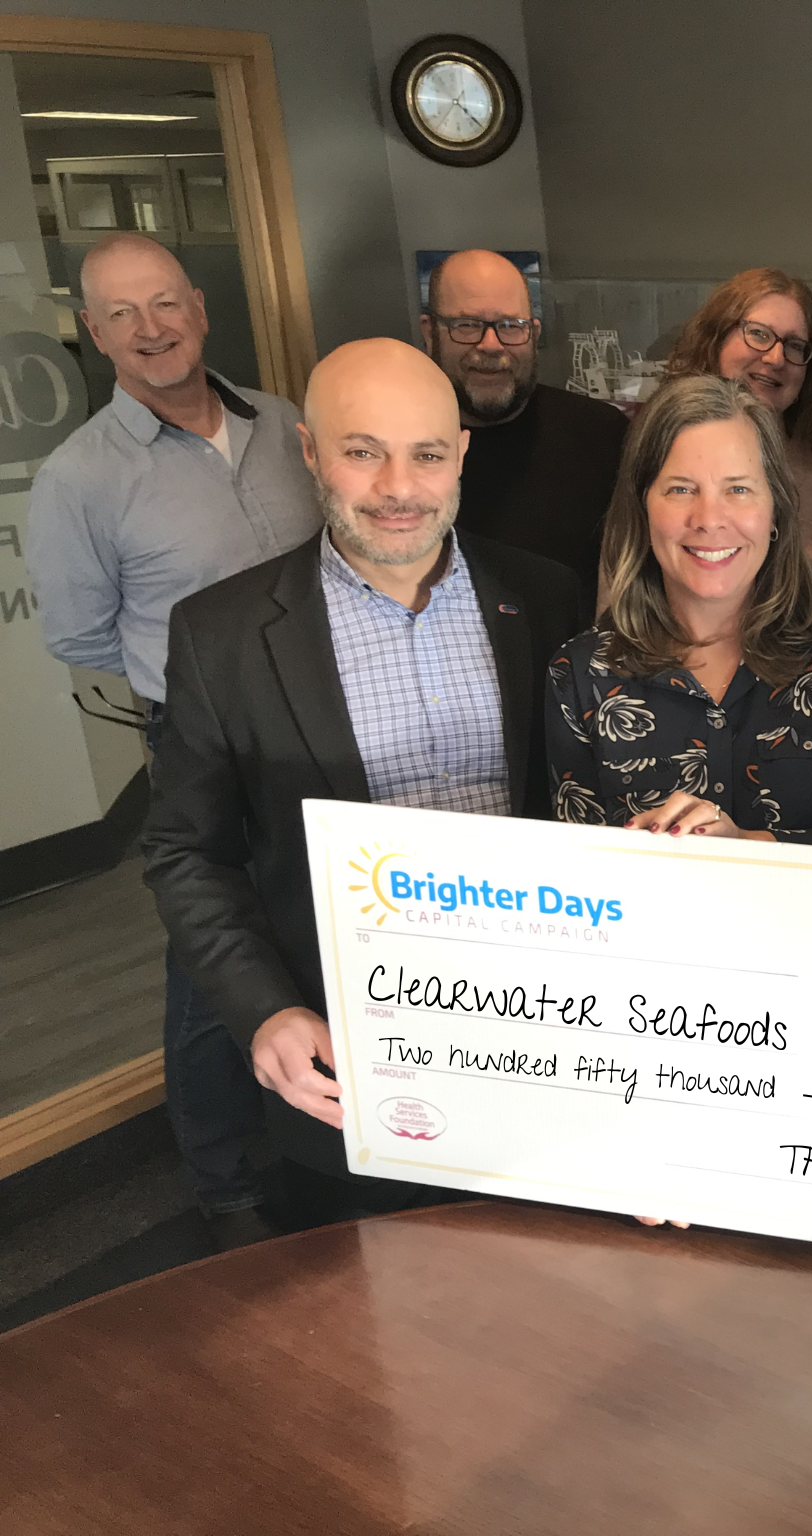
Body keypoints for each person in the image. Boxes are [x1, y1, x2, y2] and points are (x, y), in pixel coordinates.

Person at [140, 338, 584, 1230]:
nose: (398, 488)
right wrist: (265, 1012)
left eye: (426, 455)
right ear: (310, 451)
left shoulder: (548, 599)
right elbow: (188, 854)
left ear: (461, 454)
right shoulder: (220, 637)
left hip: (548, 1049)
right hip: (352, 1069)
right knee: (377, 1301)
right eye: (362, 451)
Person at [26, 232, 320, 1244]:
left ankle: (322, 1131)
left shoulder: (284, 423)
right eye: (122, 314)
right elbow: (78, 633)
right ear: (93, 332)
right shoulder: (79, 477)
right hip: (202, 745)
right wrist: (189, 686)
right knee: (208, 961)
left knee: (313, 926)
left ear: (198, 307)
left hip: (316, 722)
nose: (149, 328)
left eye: (163, 303)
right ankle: (224, 1182)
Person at [546, 373, 812, 852]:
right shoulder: (581, 673)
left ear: (776, 510)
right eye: (681, 489)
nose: (709, 519)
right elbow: (577, 872)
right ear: (642, 509)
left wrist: (746, 845)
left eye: (739, 489)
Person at [421, 248, 628, 599]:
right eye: (467, 325)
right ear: (430, 332)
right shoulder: (399, 448)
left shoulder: (604, 435)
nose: (491, 345)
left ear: (533, 332)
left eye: (510, 326)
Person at [665, 268, 812, 567]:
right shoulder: (660, 458)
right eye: (758, 334)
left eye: (795, 346)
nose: (775, 359)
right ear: (716, 340)